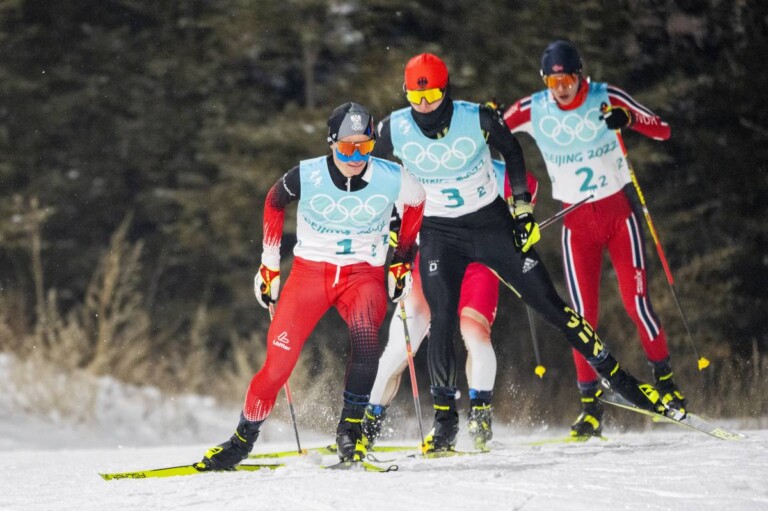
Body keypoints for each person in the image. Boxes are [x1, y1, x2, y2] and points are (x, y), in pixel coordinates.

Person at [372, 52, 670, 453]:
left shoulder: (476, 117)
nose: (424, 105)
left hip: (490, 224)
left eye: (433, 95)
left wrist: (523, 209)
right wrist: (395, 230)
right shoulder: (393, 128)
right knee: (440, 320)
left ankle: (625, 384)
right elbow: (371, 172)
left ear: (447, 90)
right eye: (415, 96)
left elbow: (513, 153)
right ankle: (445, 422)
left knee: (552, 307)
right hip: (440, 232)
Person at [196, 102, 426, 469]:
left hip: (362, 275)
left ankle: (350, 433)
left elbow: (416, 202)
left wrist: (400, 259)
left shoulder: (393, 176)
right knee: (278, 365)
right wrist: (269, 267)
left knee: (367, 343)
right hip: (310, 275)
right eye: (347, 147)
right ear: (331, 142)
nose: (355, 156)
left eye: (364, 147)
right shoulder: (308, 175)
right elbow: (274, 201)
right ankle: (241, 441)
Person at [500, 40, 687, 439]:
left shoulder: (606, 97)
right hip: (575, 225)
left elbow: (663, 129)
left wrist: (629, 121)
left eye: (567, 79)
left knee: (637, 304)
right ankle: (590, 406)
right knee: (582, 318)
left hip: (619, 218)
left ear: (580, 76)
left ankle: (667, 386)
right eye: (554, 81)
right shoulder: (535, 108)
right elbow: (494, 130)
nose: (561, 88)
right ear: (545, 81)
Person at [362, 163, 539, 451]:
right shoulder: (415, 162)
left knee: (476, 336)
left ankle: (480, 418)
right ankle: (366, 426)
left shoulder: (486, 165)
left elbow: (528, 183)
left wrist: (517, 218)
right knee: (398, 350)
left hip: (478, 268)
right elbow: (388, 202)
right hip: (429, 264)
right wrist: (394, 226)